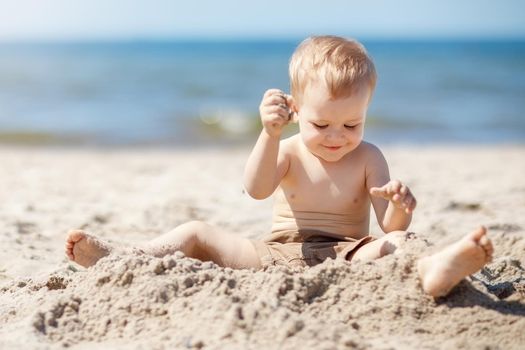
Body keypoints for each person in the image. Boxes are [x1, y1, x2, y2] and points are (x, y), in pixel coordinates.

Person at [65, 35, 493, 297]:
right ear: (295, 109)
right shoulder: (287, 148)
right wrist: (268, 134)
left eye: (352, 123)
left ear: (367, 111)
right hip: (272, 253)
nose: (336, 135)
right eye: (321, 123)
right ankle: (125, 256)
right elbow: (255, 189)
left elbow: (390, 227)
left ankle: (434, 271)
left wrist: (401, 204)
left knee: (399, 246)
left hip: (346, 252)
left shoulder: (369, 157)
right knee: (195, 232)